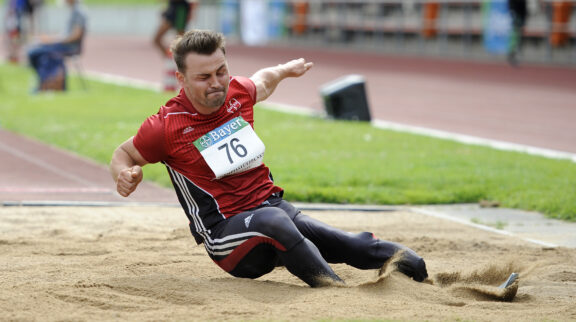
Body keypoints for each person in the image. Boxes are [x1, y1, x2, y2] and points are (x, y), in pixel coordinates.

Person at [109, 29, 428, 288]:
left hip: (274, 210)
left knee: (353, 245)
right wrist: (125, 175)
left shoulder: (236, 92)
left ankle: (424, 275)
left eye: (221, 71)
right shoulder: (165, 126)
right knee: (275, 222)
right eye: (204, 77)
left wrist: (286, 72)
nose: (217, 83)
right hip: (227, 237)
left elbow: (263, 80)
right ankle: (335, 291)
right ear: (181, 79)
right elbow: (123, 154)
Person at [27, 0, 86, 91]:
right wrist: (50, 39)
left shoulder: (78, 13)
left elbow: (75, 36)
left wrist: (52, 41)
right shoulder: (73, 11)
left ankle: (47, 83)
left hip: (70, 47)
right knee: (35, 51)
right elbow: (66, 35)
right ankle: (46, 82)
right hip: (64, 45)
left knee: (37, 53)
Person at [507, 0, 528, 66]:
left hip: (520, 17)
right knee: (515, 36)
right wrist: (512, 13)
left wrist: (524, 22)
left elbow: (524, 9)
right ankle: (512, 54)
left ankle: (515, 53)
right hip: (515, 17)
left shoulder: (523, 2)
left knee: (518, 37)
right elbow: (511, 5)